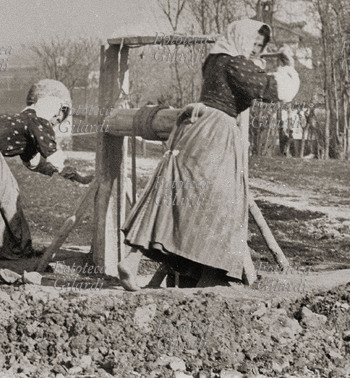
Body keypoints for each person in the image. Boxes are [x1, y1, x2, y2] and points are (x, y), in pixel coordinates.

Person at [118, 18, 300, 290]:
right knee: (222, 204)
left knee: (176, 198)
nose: (255, 49)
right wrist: (288, 67)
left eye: (260, 46)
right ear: (240, 38)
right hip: (216, 134)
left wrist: (259, 64)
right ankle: (210, 275)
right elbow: (273, 89)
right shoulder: (235, 64)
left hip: (195, 130)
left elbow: (249, 76)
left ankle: (134, 260)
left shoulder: (215, 60)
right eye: (253, 42)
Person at [0, 79, 92, 259]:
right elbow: (53, 154)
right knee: (5, 193)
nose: (56, 122)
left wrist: (60, 172)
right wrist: (78, 177)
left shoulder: (29, 122)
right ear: (51, 108)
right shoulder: (38, 121)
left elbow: (33, 161)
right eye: (57, 117)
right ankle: (3, 245)